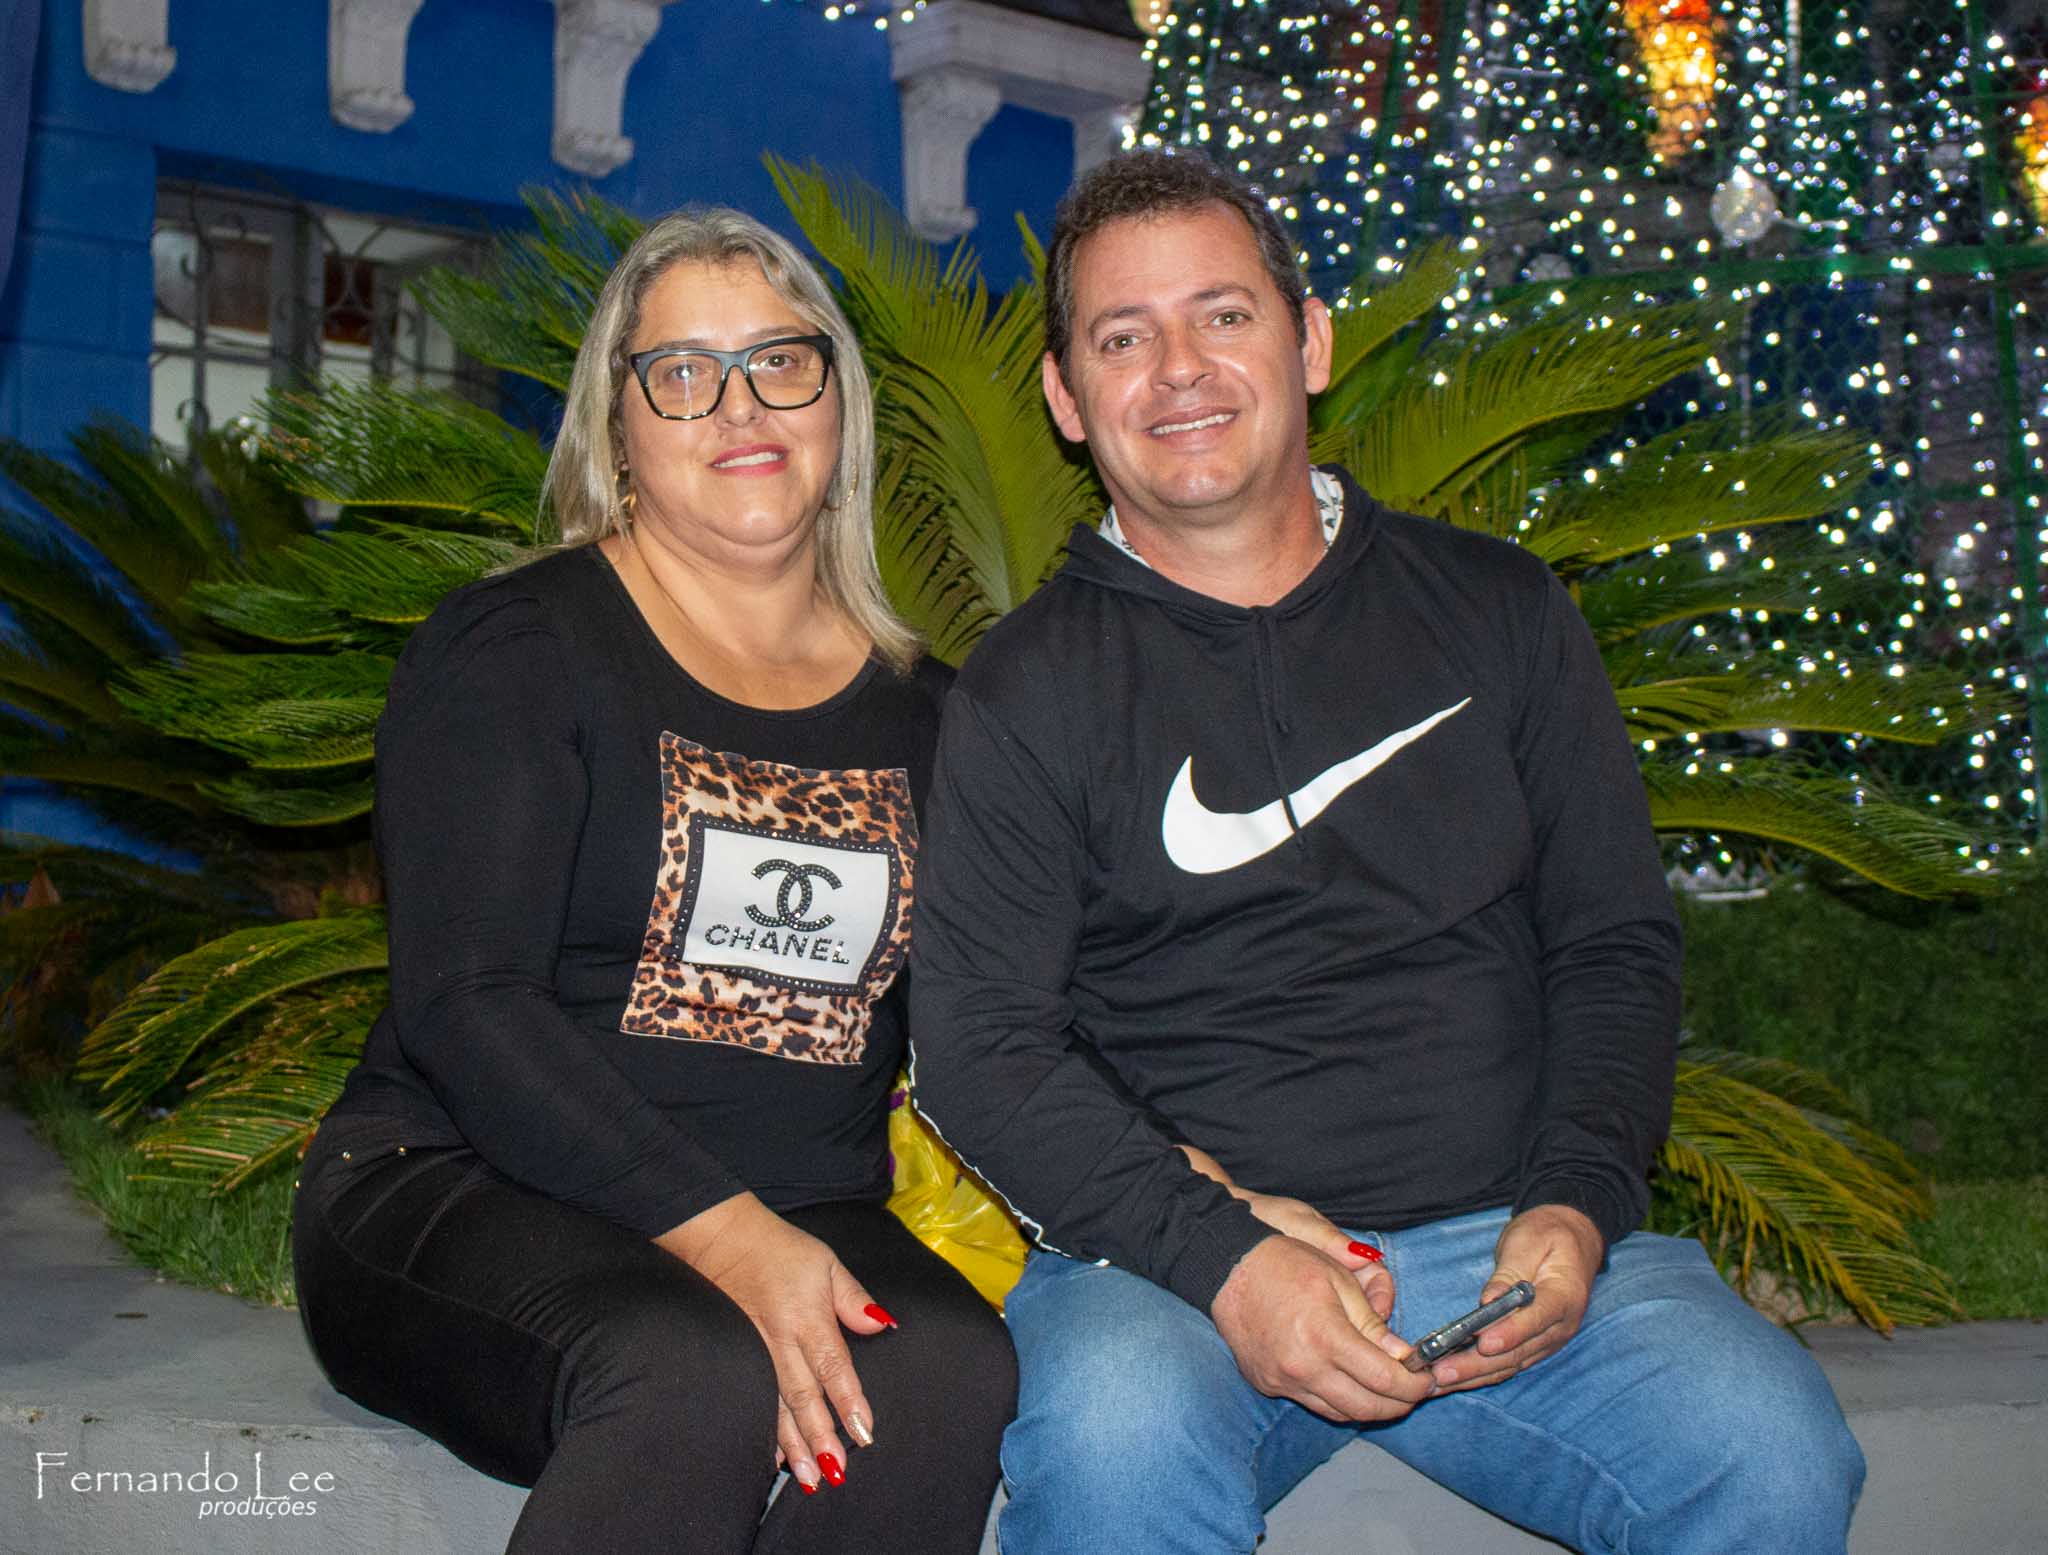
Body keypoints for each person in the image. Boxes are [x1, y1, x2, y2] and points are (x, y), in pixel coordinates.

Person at [907, 150, 1864, 1554]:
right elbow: (980, 1049)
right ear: (1065, 397)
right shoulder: (1025, 690)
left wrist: (1578, 1204)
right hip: (1173, 1270)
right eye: (1122, 337)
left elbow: (1611, 943)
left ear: (1309, 342)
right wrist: (1226, 1256)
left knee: (1768, 1449)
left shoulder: (1501, 611)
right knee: (1113, 1447)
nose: (1179, 370)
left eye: (1223, 315)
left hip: (1508, 1239)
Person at [292, 206, 1014, 1555]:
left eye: (780, 360)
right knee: (694, 1372)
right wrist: (729, 1241)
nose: (739, 404)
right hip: (459, 1187)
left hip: (802, 1203)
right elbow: (466, 1004)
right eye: (682, 371)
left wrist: (1212, 1199)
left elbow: (994, 1029)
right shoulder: (519, 649)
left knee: (946, 1375)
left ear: (838, 405)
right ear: (618, 428)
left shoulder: (932, 720)